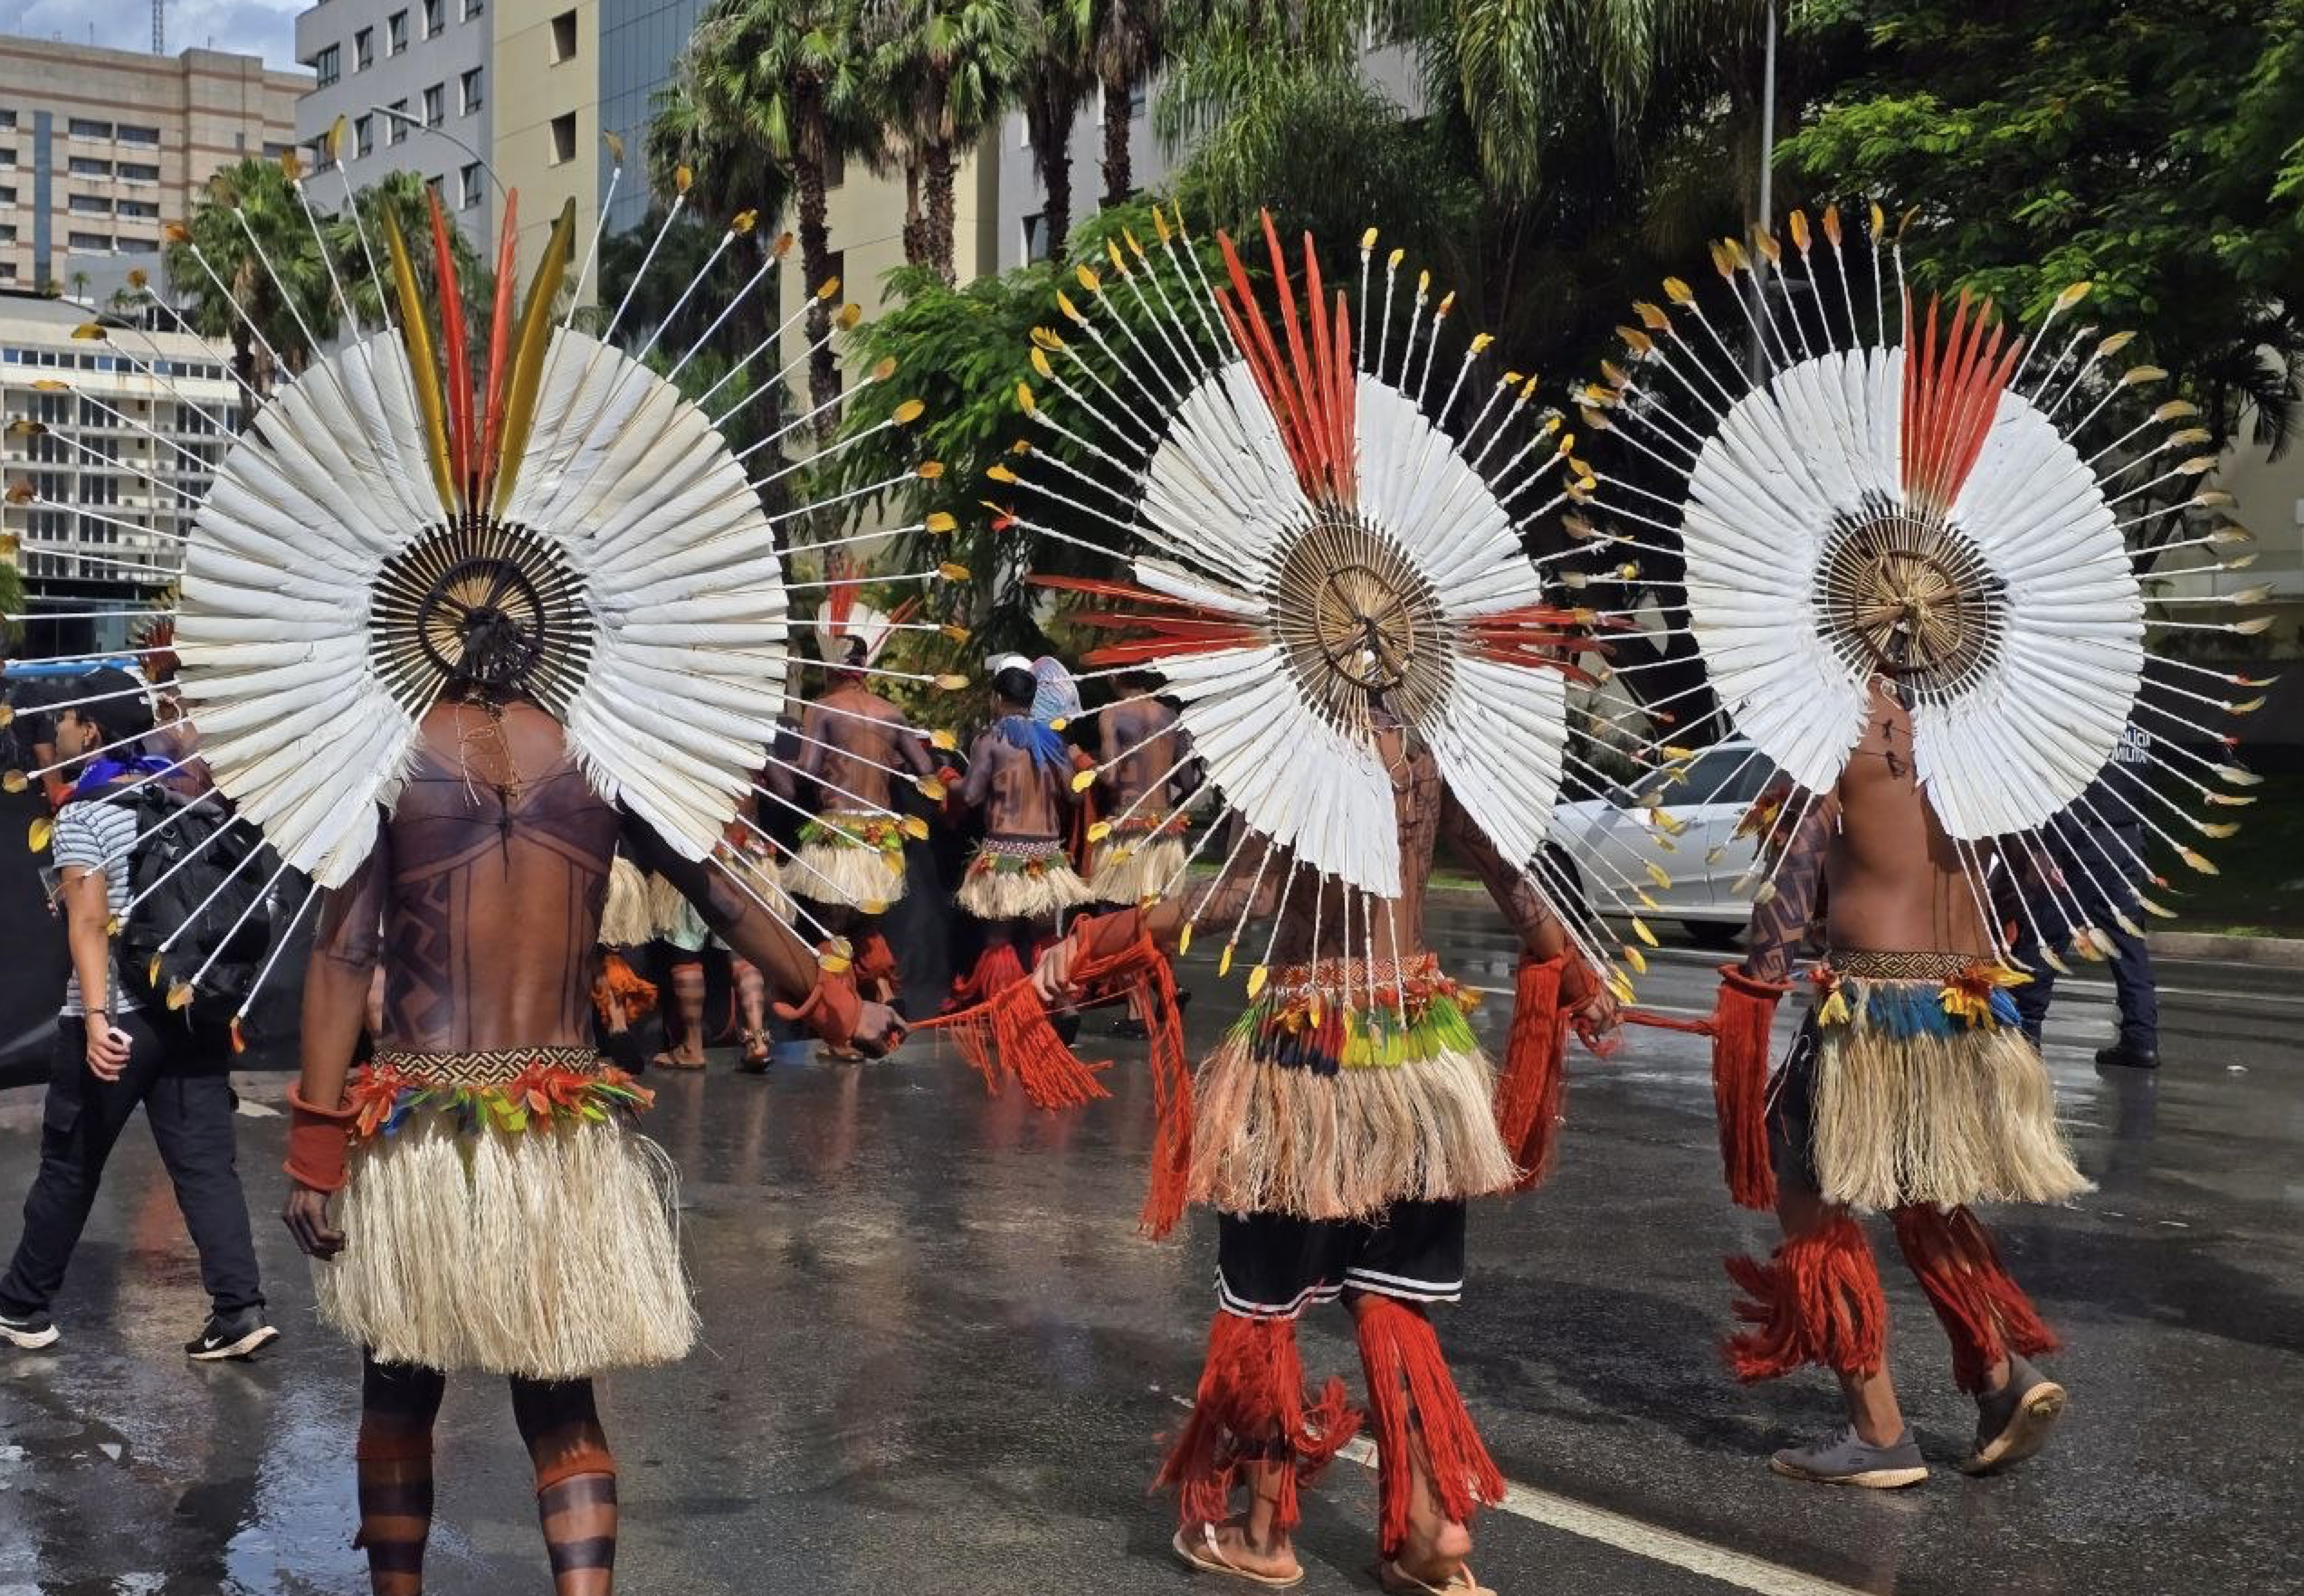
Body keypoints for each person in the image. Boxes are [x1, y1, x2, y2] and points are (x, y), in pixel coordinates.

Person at [281, 651, 905, 1596]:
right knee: (560, 1406)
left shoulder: (394, 758)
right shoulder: (601, 758)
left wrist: (315, 1144)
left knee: (399, 1394)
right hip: (554, 1123)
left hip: (420, 1122)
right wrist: (835, 1009)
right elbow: (724, 896)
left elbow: (342, 953)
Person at [1029, 702, 1620, 1593]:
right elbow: (1510, 877)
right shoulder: (1426, 747)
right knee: (1393, 1300)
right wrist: (1578, 981)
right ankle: (1429, 1530)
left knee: (1262, 1305)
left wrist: (1091, 945)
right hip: (1422, 1052)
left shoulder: (1285, 739)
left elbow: (1241, 895)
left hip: (1308, 1059)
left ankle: (1264, 1536)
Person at [1707, 679, 2087, 1488]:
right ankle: (1998, 1375)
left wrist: (1753, 989)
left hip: (1878, 1001)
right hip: (1966, 997)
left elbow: (1797, 867)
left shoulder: (1833, 715)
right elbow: (2038, 871)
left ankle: (1877, 1431)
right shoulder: (1977, 720)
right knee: (1921, 1188)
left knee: (1803, 1182)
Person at [0, 666, 277, 1360]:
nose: (54, 729)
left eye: (64, 718)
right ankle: (239, 1311)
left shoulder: (86, 813)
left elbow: (89, 926)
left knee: (70, 1162)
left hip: (117, 1014)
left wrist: (96, 1020)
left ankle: (24, 1306)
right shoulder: (188, 805)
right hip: (192, 1008)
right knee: (207, 1165)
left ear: (91, 730)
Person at [791, 632, 936, 1019]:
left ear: (831, 667)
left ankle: (845, 1021)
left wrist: (776, 764)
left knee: (830, 930)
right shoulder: (891, 712)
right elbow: (925, 769)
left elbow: (806, 770)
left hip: (839, 834)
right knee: (865, 924)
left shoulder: (822, 709)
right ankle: (886, 996)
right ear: (863, 665)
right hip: (882, 837)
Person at [2008, 727, 2161, 1069]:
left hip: (2083, 835)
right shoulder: (2137, 721)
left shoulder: (2087, 712)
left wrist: (2052, 849)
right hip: (2127, 837)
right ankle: (2141, 1038)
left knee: (2045, 934)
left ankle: (2024, 1038)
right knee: (2128, 942)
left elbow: (2068, 781)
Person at [947, 663, 1092, 1004]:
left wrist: (947, 780)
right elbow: (1075, 795)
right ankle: (1061, 1007)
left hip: (1005, 854)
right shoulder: (1053, 740)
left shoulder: (990, 739)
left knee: (999, 940)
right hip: (1047, 855)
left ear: (997, 698)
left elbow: (970, 795)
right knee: (1045, 936)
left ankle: (1012, 1012)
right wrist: (1085, 766)